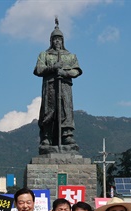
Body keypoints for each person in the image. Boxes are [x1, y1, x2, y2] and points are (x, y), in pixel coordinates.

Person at [34, 18, 82, 150]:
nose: (57, 41)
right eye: (55, 39)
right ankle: (47, 136)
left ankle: (67, 135)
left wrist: (65, 73)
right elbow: (38, 70)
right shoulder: (44, 55)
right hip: (50, 86)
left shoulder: (70, 56)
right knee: (49, 111)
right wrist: (53, 68)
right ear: (51, 41)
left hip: (65, 87)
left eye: (59, 39)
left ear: (63, 41)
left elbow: (76, 70)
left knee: (65, 109)